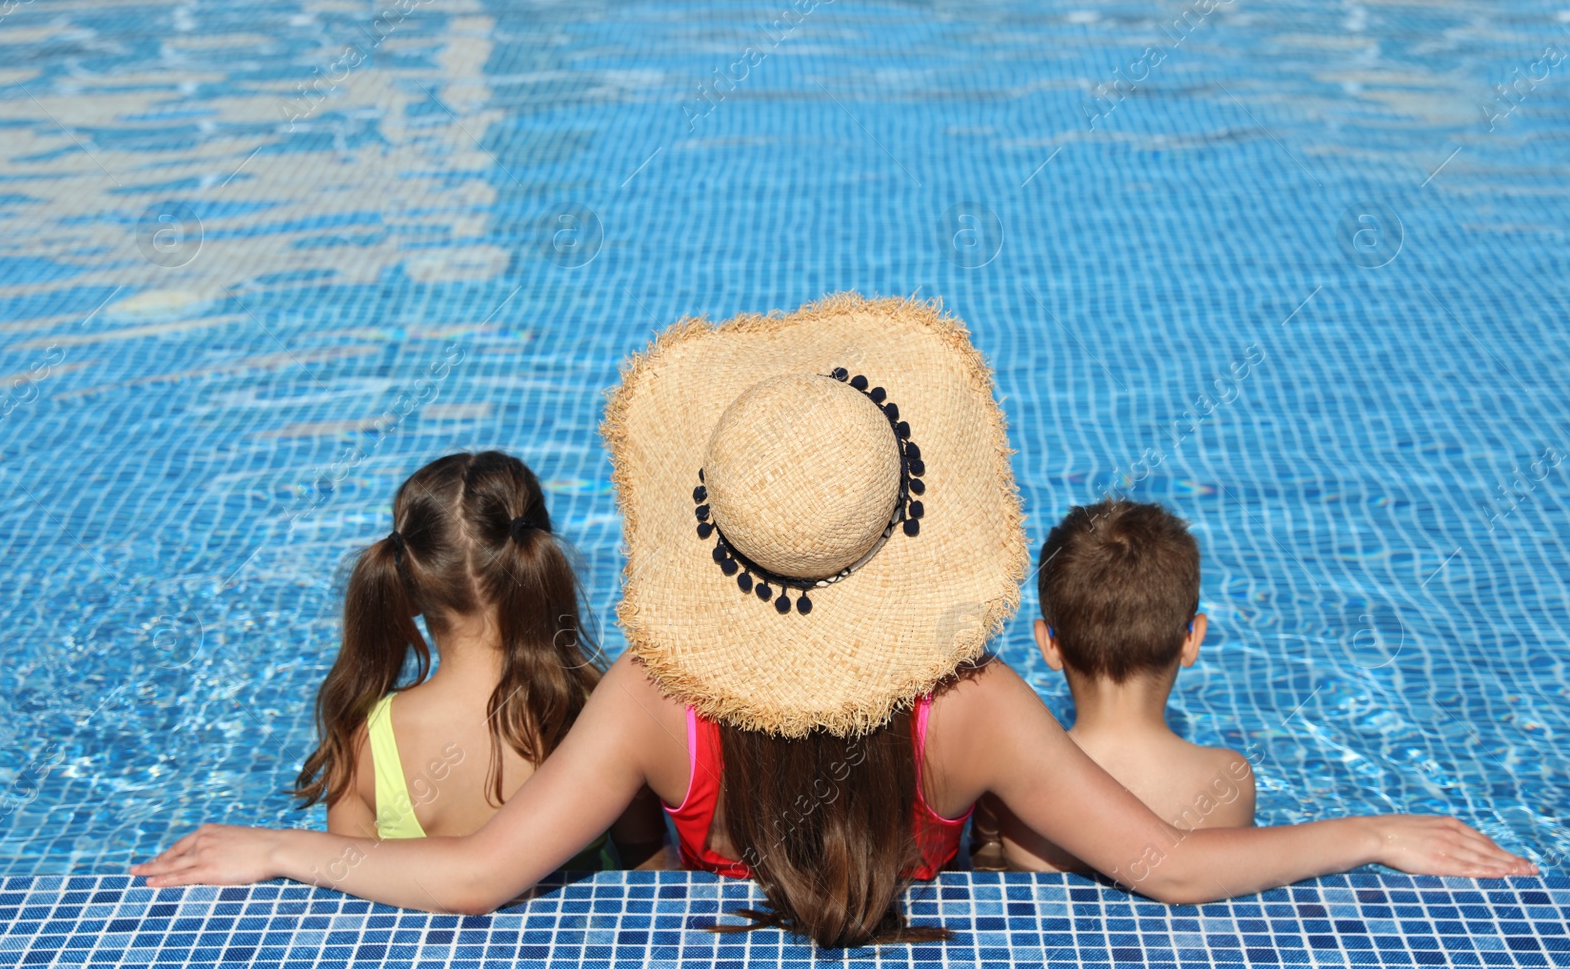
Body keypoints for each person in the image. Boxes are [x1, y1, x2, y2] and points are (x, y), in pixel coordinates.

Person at [133, 296, 1533, 950]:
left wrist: (270, 844)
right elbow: (1165, 864)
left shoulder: (651, 698)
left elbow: (478, 878)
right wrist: (1374, 828)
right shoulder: (972, 700)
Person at [290, 450, 665, 869]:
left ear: (407, 589)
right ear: (535, 569)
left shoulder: (362, 746)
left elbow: (353, 892)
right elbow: (648, 864)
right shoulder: (596, 708)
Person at [973, 499, 1253, 871]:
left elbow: (983, 873)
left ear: (1048, 645)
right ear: (1193, 639)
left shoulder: (1007, 785)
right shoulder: (1229, 782)